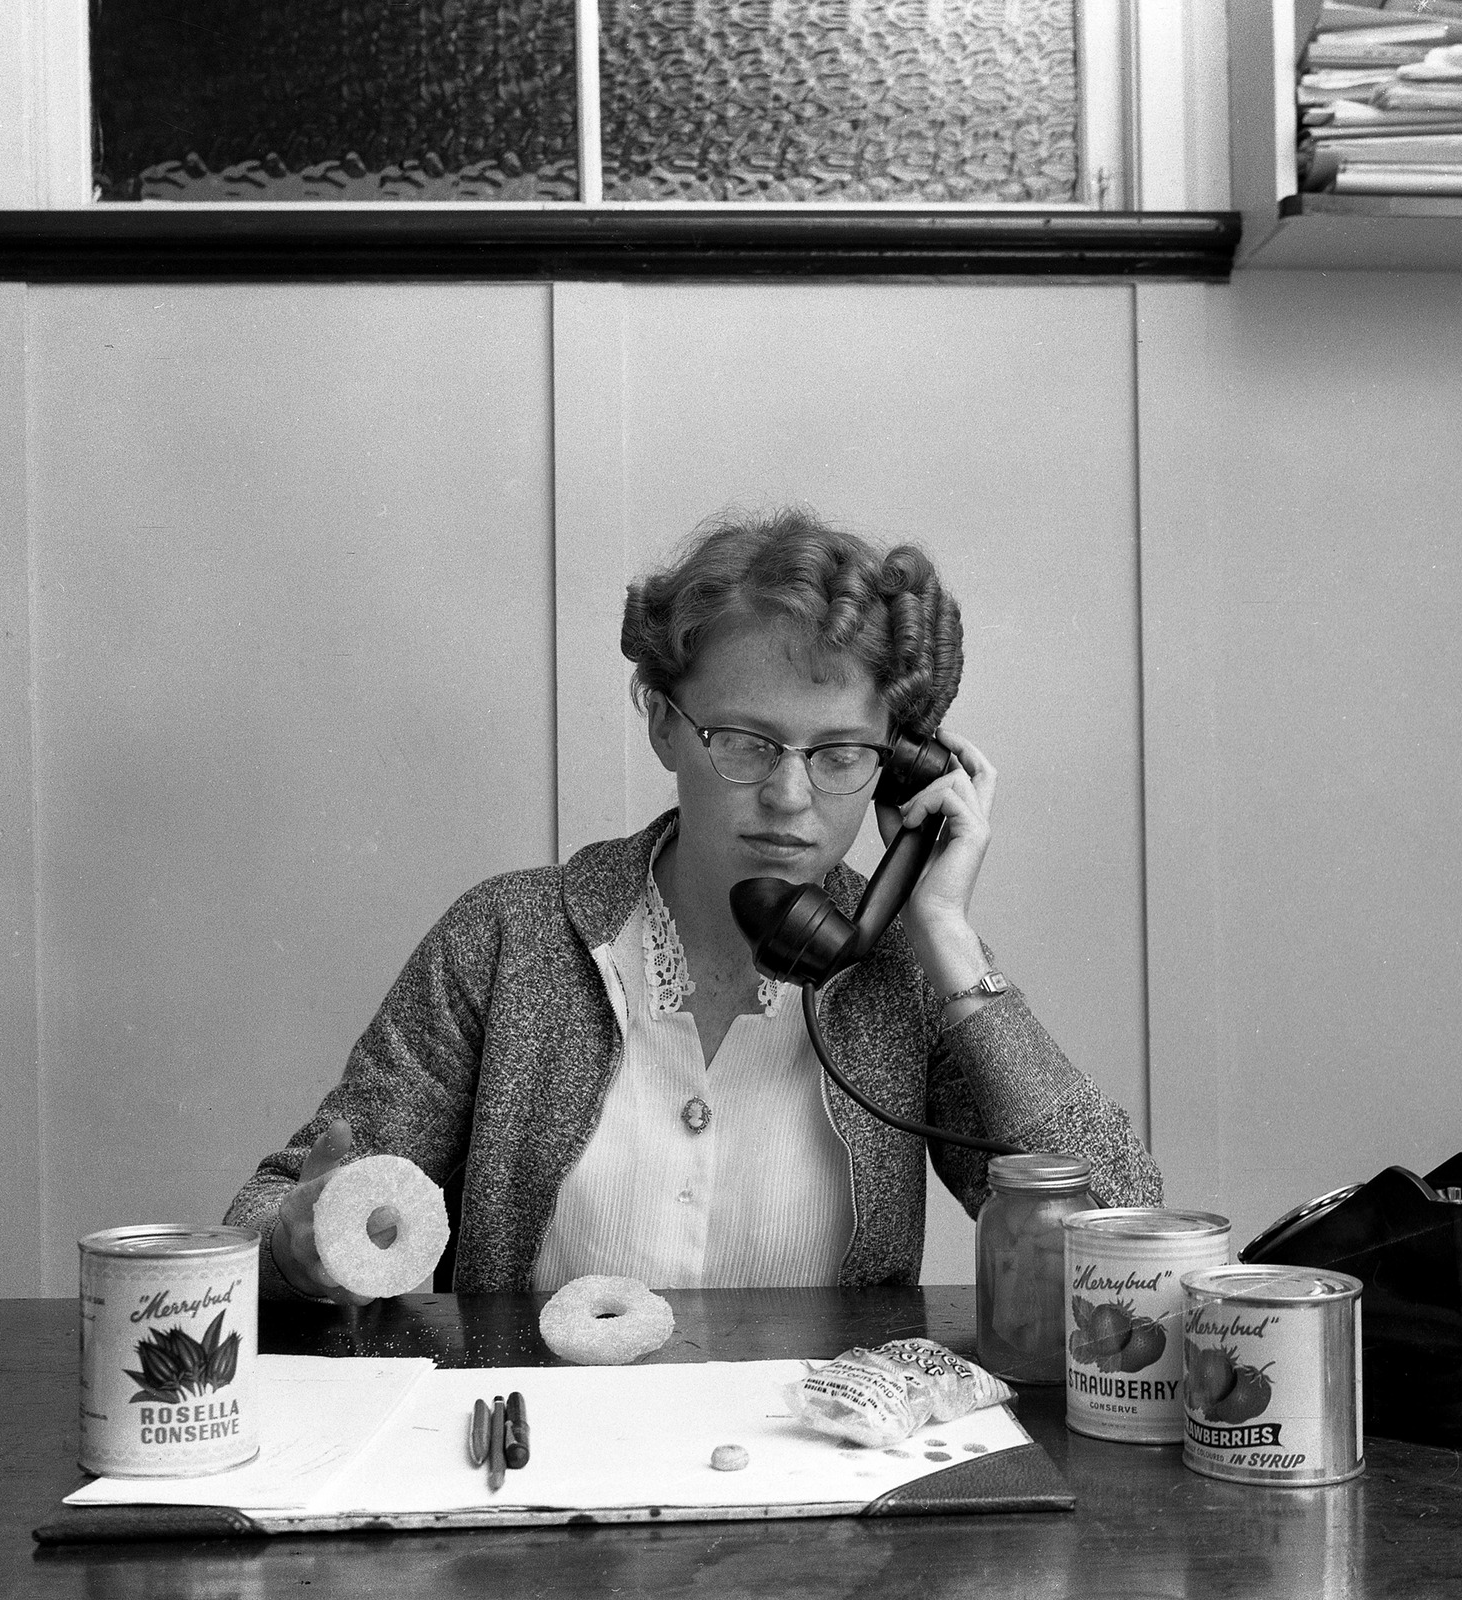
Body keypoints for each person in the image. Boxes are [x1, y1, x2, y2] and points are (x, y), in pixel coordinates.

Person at [226, 508, 1161, 1303]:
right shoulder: (507, 940)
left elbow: (1124, 1241)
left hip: (823, 1481)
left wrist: (949, 939)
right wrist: (298, 1248)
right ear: (664, 722)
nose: (792, 797)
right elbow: (277, 1208)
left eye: (841, 753)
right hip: (543, 1459)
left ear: (901, 769)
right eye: (748, 742)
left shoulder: (909, 977)